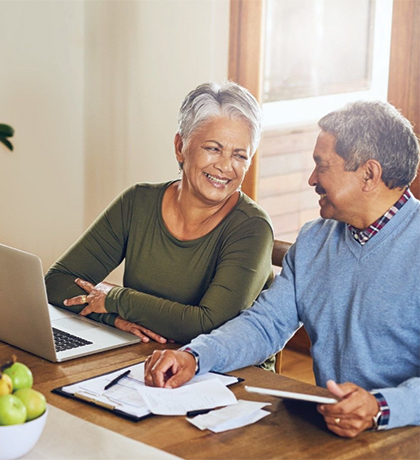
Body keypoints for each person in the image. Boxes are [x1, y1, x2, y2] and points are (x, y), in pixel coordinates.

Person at [144, 100, 420, 438]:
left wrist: (381, 407)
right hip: (334, 433)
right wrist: (195, 356)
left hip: (403, 435)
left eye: (322, 166)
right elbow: (265, 325)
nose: (311, 179)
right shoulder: (314, 240)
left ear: (369, 174)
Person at [45, 81, 274, 345]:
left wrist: (115, 299)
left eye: (240, 156)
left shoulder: (252, 228)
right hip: (142, 355)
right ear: (180, 146)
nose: (225, 166)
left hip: (225, 373)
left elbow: (209, 325)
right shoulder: (138, 202)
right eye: (213, 148)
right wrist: (113, 318)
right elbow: (57, 282)